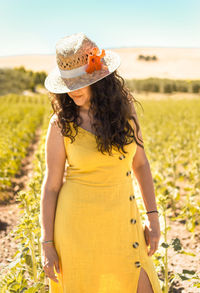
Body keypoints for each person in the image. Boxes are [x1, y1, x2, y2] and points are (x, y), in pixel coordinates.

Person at [40, 32, 162, 293]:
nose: (72, 91)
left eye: (79, 82)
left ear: (99, 78)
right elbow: (51, 186)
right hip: (76, 230)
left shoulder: (125, 109)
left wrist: (153, 216)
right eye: (67, 84)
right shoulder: (61, 124)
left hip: (123, 222)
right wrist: (47, 243)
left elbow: (140, 164)